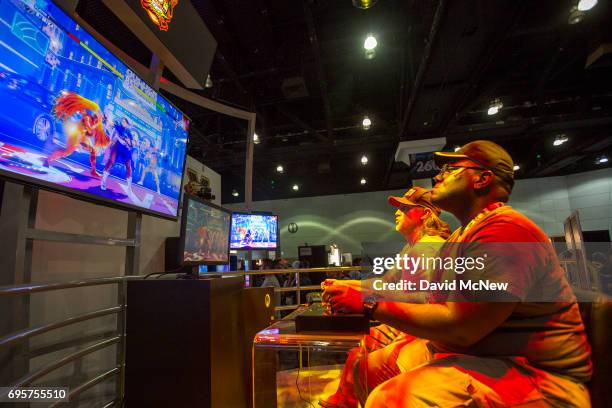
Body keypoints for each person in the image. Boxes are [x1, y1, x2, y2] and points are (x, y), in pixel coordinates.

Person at [324, 140, 592, 407]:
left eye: (452, 169)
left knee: (391, 399)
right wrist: (360, 292)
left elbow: (463, 327)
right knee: (370, 368)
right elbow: (424, 298)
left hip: (535, 375)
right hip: (482, 354)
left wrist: (369, 303)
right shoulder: (462, 236)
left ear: (482, 179)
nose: (438, 175)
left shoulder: (505, 230)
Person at [320, 186, 451, 408]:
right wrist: (345, 284)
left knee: (366, 368)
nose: (397, 212)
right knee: (358, 350)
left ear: (425, 213)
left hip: (424, 332)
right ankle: (344, 402)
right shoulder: (413, 247)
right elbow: (386, 283)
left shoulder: (430, 247)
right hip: (411, 324)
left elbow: (428, 298)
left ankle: (349, 402)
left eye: (404, 208)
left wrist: (364, 299)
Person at [101, 118, 135, 194]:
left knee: (129, 166)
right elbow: (111, 123)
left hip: (125, 149)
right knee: (111, 162)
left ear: (128, 124)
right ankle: (103, 181)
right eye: (122, 121)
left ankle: (129, 188)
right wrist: (106, 119)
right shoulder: (118, 127)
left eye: (125, 121)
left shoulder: (129, 132)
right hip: (117, 146)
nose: (123, 122)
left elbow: (132, 144)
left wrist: (128, 142)